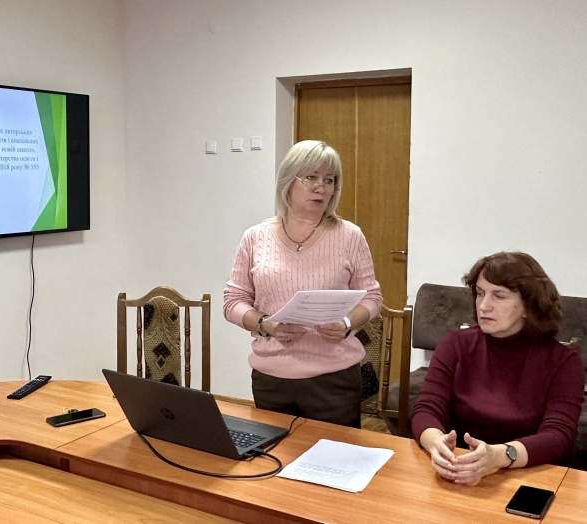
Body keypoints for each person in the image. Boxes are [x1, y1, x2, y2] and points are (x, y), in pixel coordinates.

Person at [223, 140, 383, 428]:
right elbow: (233, 301)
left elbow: (372, 298)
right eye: (311, 177)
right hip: (271, 379)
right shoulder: (255, 237)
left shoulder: (350, 235)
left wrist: (347, 324)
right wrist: (264, 324)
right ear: (288, 181)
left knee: (335, 455)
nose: (321, 187)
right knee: (274, 454)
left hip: (334, 380)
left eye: (329, 180)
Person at [412, 251, 585, 485]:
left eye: (499, 296)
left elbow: (558, 436)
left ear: (529, 305)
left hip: (532, 475)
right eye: (480, 293)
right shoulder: (455, 344)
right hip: (460, 468)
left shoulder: (563, 361)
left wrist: (498, 456)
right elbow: (427, 408)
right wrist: (436, 444)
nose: (484, 306)